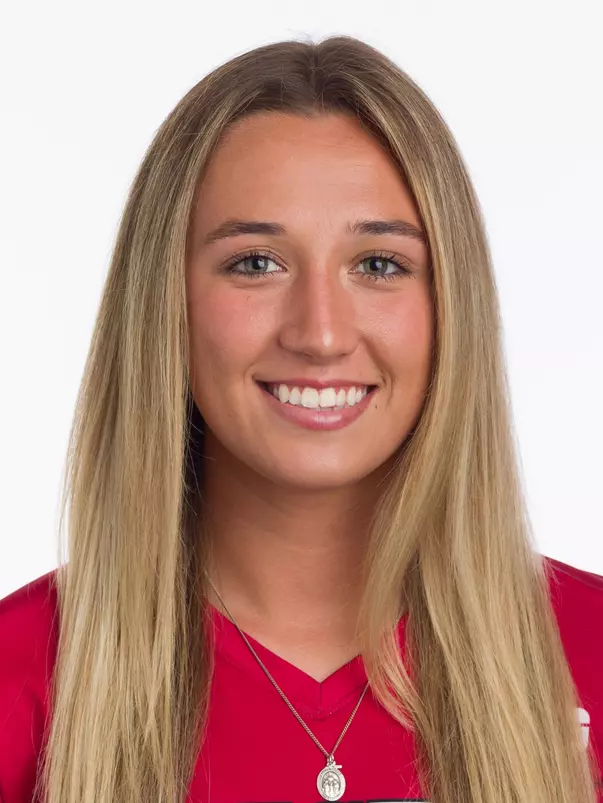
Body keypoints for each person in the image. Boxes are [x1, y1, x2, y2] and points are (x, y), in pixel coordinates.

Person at [0, 34, 601, 803]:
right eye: (255, 262)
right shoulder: (21, 678)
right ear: (165, 307)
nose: (319, 332)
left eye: (378, 265)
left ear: (452, 304)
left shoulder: (591, 652)